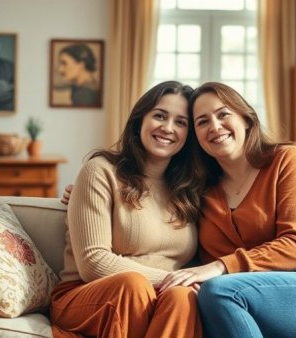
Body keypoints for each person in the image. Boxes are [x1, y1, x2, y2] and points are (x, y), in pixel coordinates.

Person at [156, 82, 296, 337]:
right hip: (243, 303)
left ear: (246, 120)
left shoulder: (286, 160)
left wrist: (219, 267)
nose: (215, 127)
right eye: (202, 122)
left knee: (219, 290)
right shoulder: (201, 192)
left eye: (223, 114)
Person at [51, 81, 205, 338]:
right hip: (87, 295)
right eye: (159, 115)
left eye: (181, 122)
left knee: (183, 297)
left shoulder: (190, 187)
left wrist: (180, 284)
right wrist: (169, 278)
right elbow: (93, 263)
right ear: (139, 120)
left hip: (160, 297)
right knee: (133, 286)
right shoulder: (100, 171)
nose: (168, 128)